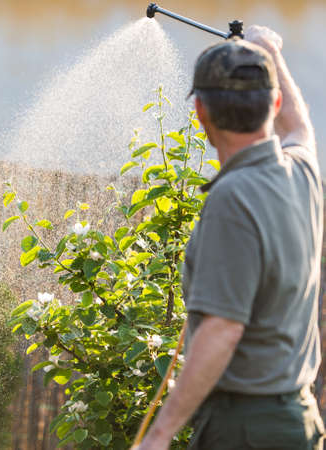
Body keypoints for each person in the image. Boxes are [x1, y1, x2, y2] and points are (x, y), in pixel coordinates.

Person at [135, 25, 325, 450]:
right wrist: (271, 51)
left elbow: (222, 331)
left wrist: (159, 436)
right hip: (298, 419)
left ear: (200, 112)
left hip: (245, 430)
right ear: (272, 103)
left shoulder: (233, 197)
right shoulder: (303, 174)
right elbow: (300, 127)